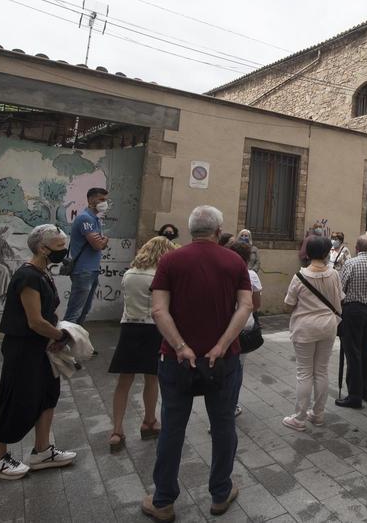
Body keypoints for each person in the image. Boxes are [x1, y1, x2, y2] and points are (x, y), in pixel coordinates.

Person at [141, 206, 253, 520]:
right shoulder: (234, 261)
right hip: (223, 360)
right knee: (223, 425)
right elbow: (244, 307)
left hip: (176, 359)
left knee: (172, 428)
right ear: (218, 231)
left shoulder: (170, 260)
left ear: (191, 231)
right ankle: (220, 493)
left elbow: (158, 311)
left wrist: (181, 346)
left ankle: (163, 500)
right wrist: (221, 345)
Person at [0, 224, 77, 480]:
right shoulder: (28, 277)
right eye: (59, 247)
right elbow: (34, 320)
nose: (63, 251)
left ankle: (42, 450)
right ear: (42, 248)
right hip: (24, 347)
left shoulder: (44, 273)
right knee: (18, 399)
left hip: (42, 346)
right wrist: (61, 336)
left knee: (49, 394)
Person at [107, 236, 176, 453]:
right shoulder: (160, 277)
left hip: (129, 327)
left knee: (124, 381)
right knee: (152, 378)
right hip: (152, 329)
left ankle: (117, 431)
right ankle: (149, 421)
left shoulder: (129, 274)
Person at [281, 235, 343, 430]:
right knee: (321, 370)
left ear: (307, 252)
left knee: (304, 373)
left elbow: (288, 306)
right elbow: (339, 298)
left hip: (305, 328)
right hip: (328, 326)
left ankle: (299, 418)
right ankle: (318, 414)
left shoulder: (300, 276)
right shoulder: (333, 274)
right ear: (327, 253)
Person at [335, 235, 367, 409]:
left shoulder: (351, 264)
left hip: (353, 310)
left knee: (353, 353)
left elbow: (341, 290)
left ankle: (355, 396)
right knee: (366, 351)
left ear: (357, 247)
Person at [65, 187, 110, 324]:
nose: (104, 203)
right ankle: (61, 342)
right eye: (101, 199)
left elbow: (99, 243)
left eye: (106, 200)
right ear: (91, 200)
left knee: (84, 310)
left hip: (91, 270)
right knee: (75, 312)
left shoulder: (94, 219)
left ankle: (74, 340)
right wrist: (105, 240)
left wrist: (102, 241)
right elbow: (98, 245)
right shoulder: (86, 218)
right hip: (83, 271)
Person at [228, 241, 263, 417]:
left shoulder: (221, 272)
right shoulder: (250, 275)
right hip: (242, 326)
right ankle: (231, 405)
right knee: (238, 367)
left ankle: (220, 403)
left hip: (221, 324)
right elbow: (256, 304)